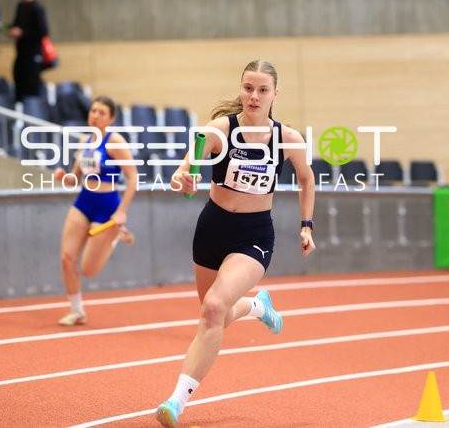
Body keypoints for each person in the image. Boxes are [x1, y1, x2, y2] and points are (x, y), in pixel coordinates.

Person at [154, 59, 317, 427]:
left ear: (275, 94)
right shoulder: (220, 129)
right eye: (248, 88)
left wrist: (306, 225)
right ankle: (258, 307)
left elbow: (307, 180)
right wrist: (183, 175)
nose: (254, 96)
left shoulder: (287, 138)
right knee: (216, 315)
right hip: (212, 228)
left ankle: (176, 402)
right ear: (240, 89)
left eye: (262, 90)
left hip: (254, 235)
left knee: (213, 308)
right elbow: (189, 162)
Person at [53, 95, 138, 326]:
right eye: (93, 110)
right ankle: (77, 310)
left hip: (107, 207)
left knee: (88, 270)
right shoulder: (84, 142)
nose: (95, 115)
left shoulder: (115, 142)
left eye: (101, 112)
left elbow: (133, 179)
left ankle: (115, 234)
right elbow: (75, 178)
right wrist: (64, 177)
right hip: (84, 203)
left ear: (111, 118)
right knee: (66, 258)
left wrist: (121, 212)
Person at [9, 0, 49, 103]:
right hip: (21, 53)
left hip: (33, 54)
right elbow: (16, 24)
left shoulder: (37, 8)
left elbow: (43, 31)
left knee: (32, 88)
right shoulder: (20, 6)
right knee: (19, 85)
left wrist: (22, 33)